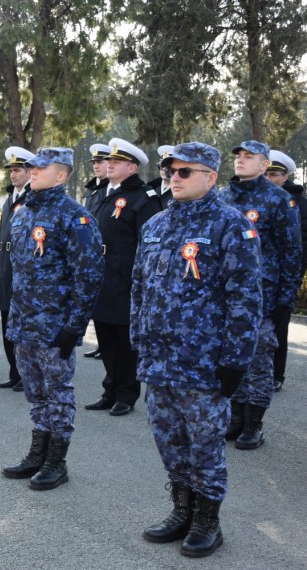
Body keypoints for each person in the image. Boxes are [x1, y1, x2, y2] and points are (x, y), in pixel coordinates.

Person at [131, 142, 262, 558]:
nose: (174, 177)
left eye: (185, 172)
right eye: (171, 170)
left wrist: (235, 361)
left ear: (210, 177)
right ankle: (181, 511)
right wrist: (138, 341)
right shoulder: (154, 226)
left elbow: (245, 300)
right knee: (169, 440)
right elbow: (139, 289)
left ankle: (208, 521)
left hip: (204, 363)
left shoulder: (231, 225)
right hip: (158, 361)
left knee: (205, 444)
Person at [1, 147, 104, 489]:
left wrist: (75, 325)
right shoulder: (22, 213)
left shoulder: (75, 216)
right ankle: (37, 454)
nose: (32, 171)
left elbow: (88, 276)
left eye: (40, 168)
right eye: (31, 166)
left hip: (54, 325)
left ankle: (57, 461)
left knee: (57, 392)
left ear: (61, 175)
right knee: (34, 392)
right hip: (24, 321)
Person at [218, 140, 302, 449]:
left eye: (248, 156)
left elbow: (291, 251)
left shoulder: (278, 200)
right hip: (226, 295)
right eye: (238, 155)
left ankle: (254, 424)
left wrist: (284, 297)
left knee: (259, 362)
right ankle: (236, 418)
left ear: (264, 164)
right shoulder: (223, 197)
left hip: (262, 296)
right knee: (232, 355)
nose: (240, 160)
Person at [85, 138, 162, 416]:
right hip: (102, 280)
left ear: (132, 167)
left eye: (115, 162)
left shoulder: (144, 199)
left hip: (127, 282)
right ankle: (110, 389)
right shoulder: (102, 194)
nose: (109, 165)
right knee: (105, 338)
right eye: (109, 161)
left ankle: (126, 394)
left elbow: (151, 246)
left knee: (125, 342)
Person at [265, 149, 307, 392]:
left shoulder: (299, 204)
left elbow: (300, 244)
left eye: (275, 174)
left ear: (286, 176)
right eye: (267, 173)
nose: (270, 178)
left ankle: (275, 375)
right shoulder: (255, 200)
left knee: (279, 326)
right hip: (257, 276)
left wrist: (294, 276)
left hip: (283, 276)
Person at [0, 147, 34, 389]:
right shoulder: (11, 198)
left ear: (30, 172)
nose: (13, 174)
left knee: (21, 324)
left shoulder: (31, 198)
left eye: (18, 170)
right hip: (5, 267)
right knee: (6, 321)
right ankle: (14, 371)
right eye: (11, 170)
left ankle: (25, 373)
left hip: (21, 269)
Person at [81, 143, 110, 360]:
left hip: (108, 255)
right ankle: (102, 343)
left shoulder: (112, 190)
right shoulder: (92, 190)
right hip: (91, 254)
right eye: (94, 162)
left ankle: (105, 344)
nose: (96, 166)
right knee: (96, 301)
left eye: (101, 161)